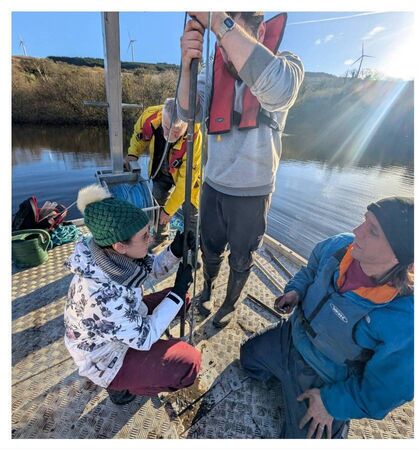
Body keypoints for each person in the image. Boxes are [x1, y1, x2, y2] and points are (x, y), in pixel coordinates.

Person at [240, 197, 414, 438]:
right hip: (291, 337)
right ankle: (286, 382)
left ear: (402, 257)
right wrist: (295, 291)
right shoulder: (339, 246)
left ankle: (328, 416)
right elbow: (310, 270)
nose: (357, 231)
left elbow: (384, 392)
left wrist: (332, 403)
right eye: (364, 220)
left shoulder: (406, 320)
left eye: (373, 231)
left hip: (327, 378)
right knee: (247, 359)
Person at [178, 11, 304, 328]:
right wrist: (187, 64)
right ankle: (207, 290)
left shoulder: (286, 64)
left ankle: (229, 304)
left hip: (253, 192)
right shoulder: (213, 70)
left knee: (242, 257)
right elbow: (187, 111)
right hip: (213, 186)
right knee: (209, 249)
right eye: (220, 42)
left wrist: (218, 22)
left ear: (260, 32)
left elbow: (279, 90)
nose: (224, 49)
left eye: (231, 34)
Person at [63, 184, 200, 405]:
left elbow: (150, 269)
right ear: (120, 246)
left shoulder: (108, 254)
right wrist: (177, 289)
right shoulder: (102, 296)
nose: (151, 238)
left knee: (181, 301)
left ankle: (137, 371)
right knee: (189, 363)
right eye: (145, 236)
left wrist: (174, 251)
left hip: (123, 319)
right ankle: (120, 386)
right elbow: (144, 337)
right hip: (106, 357)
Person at [124, 98, 202, 247]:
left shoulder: (195, 139)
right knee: (157, 204)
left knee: (191, 211)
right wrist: (133, 154)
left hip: (187, 179)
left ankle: (191, 246)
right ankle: (161, 239)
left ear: (186, 124)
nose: (169, 135)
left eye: (176, 132)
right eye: (166, 128)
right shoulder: (150, 116)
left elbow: (185, 183)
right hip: (160, 171)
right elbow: (139, 136)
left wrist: (169, 211)